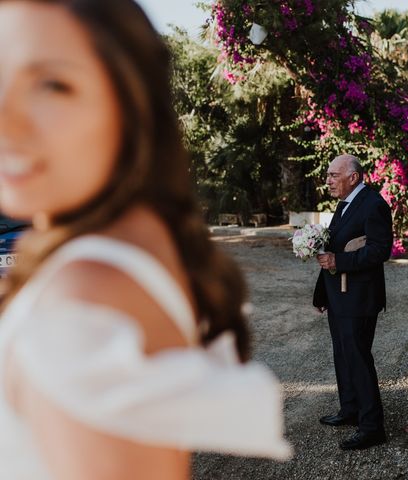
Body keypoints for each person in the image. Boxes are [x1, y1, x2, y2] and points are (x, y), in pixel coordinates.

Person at [0, 1, 291, 479]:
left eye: (52, 84)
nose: (6, 119)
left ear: (129, 104)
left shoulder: (82, 303)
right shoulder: (138, 237)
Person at [314, 154, 392, 450]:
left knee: (358, 358)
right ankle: (350, 410)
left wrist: (340, 260)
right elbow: (332, 251)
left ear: (354, 177)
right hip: (339, 298)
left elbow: (380, 250)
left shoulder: (374, 205)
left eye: (334, 175)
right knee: (342, 355)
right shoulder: (344, 204)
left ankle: (372, 427)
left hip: (360, 297)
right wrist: (322, 293)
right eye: (329, 175)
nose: (329, 180)